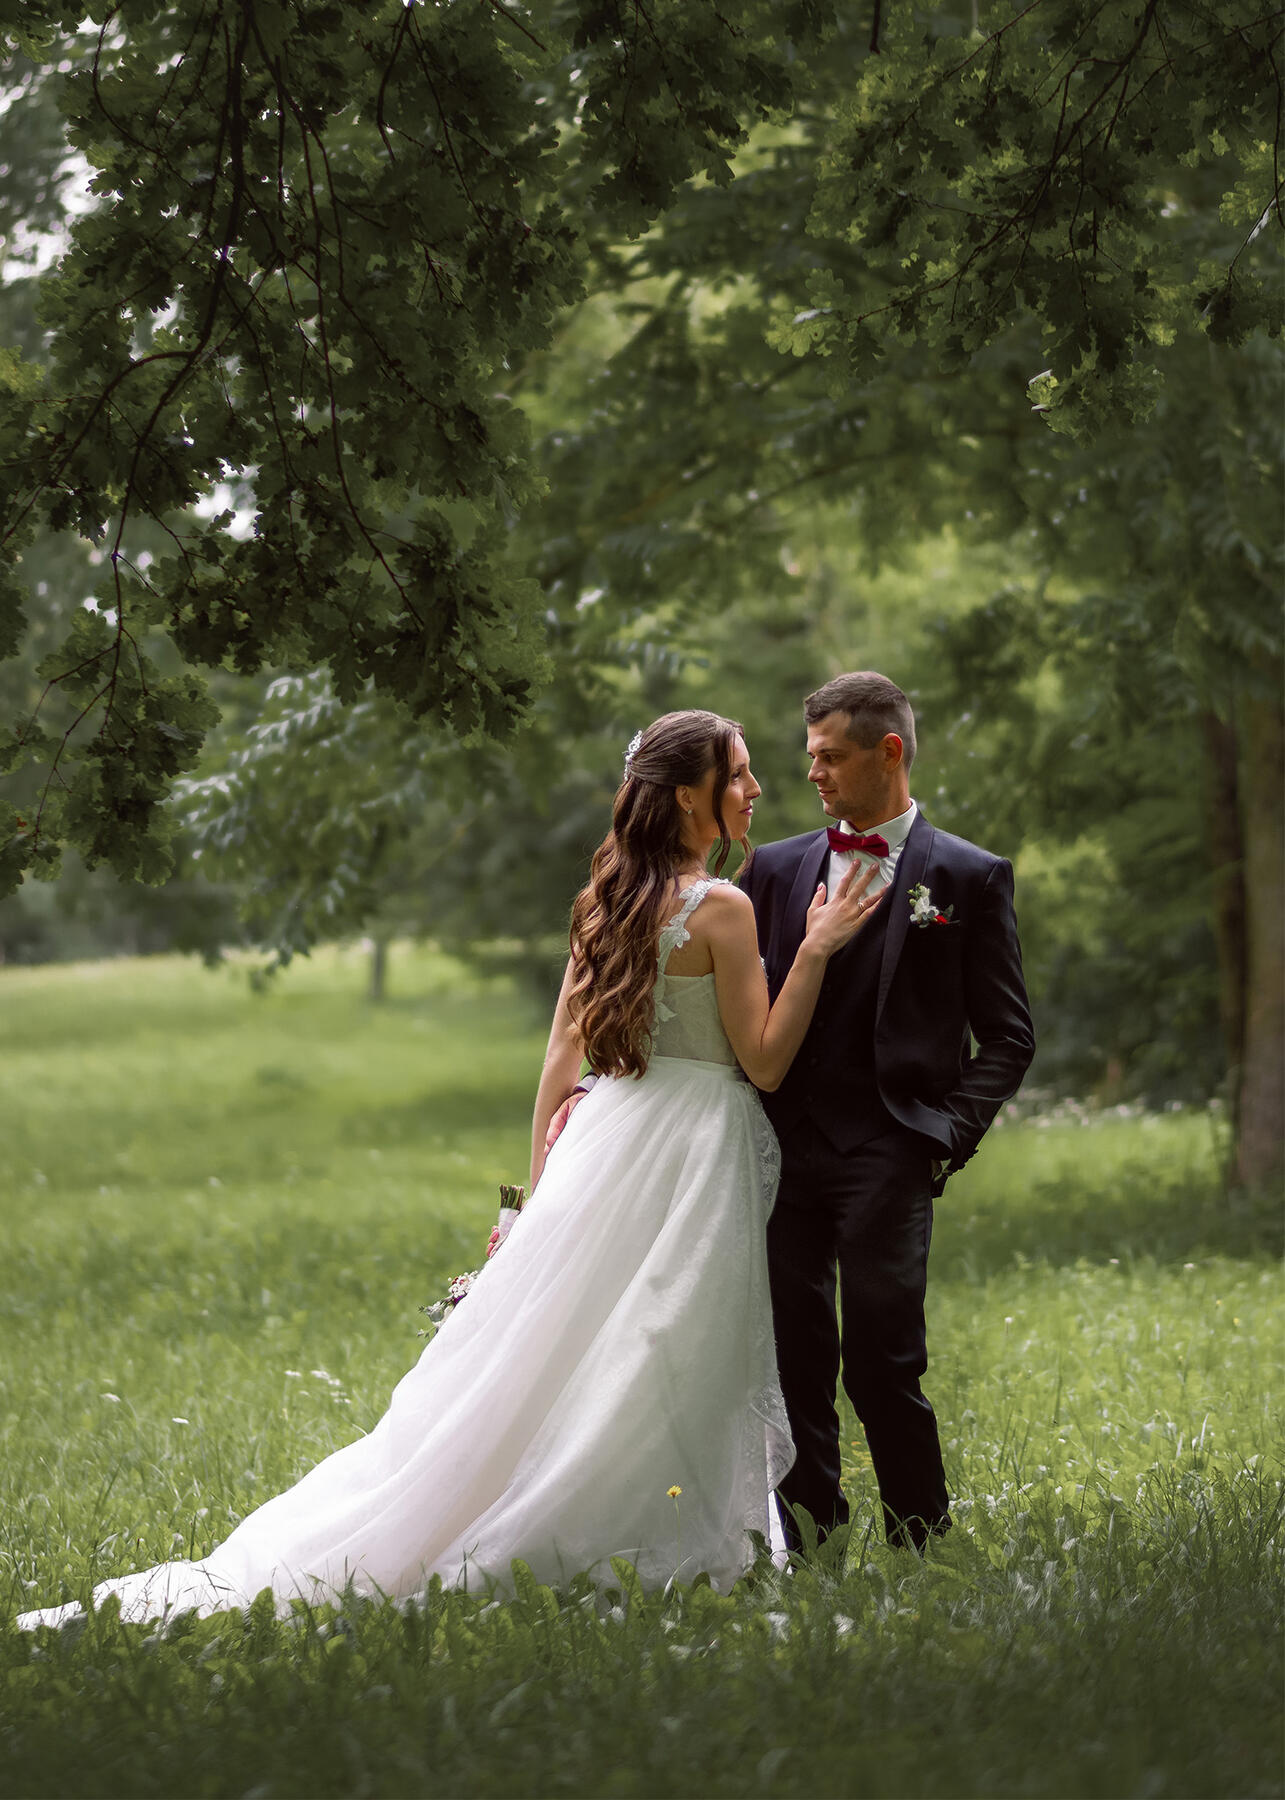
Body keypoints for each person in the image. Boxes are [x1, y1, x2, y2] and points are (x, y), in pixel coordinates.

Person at [16, 710, 883, 1630]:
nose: (754, 789)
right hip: (690, 1150)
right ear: (686, 795)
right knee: (670, 1344)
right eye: (739, 775)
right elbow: (764, 1061)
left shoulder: (608, 899)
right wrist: (819, 950)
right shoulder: (722, 907)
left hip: (606, 1142)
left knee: (557, 1349)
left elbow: (559, 1064)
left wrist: (533, 1206)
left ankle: (611, 1521)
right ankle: (662, 1543)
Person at [740, 672, 1035, 1552]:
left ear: (889, 751)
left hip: (891, 1147)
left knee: (883, 1358)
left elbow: (1009, 1037)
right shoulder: (776, 867)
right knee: (794, 1359)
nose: (815, 774)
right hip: (782, 1146)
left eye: (831, 756)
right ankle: (809, 1541)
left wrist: (940, 1135)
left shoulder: (967, 876)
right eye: (809, 758)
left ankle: (921, 1538)